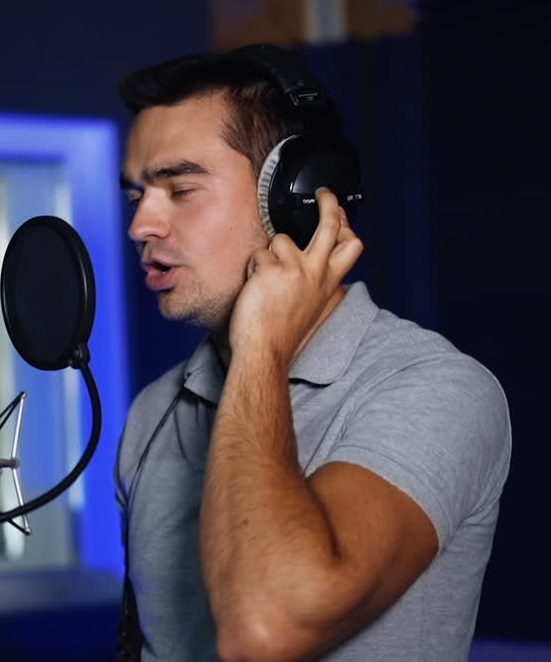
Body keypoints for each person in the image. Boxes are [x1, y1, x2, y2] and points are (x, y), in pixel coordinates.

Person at [113, 45, 511, 662]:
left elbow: (266, 628)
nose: (142, 226)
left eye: (180, 189)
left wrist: (261, 348)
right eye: (136, 195)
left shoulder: (436, 388)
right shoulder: (152, 413)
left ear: (297, 198)